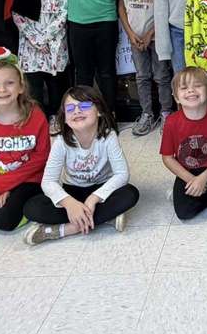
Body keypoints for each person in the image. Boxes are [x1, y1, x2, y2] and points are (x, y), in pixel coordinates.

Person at [23, 85, 140, 245]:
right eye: (70, 108)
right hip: (72, 191)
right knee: (32, 207)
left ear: (99, 111)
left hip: (100, 191)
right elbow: (48, 181)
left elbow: (122, 174)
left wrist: (93, 200)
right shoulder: (61, 142)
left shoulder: (108, 136)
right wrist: (69, 204)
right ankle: (103, 218)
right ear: (64, 118)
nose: (77, 111)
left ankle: (65, 229)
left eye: (84, 105)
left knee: (130, 194)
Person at [0, 47, 49, 233]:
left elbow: (41, 158)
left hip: (30, 179)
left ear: (21, 87)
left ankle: (28, 206)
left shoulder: (36, 116)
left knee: (5, 223)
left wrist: (5, 185)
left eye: (10, 83)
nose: (2, 90)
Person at [116, 0, 173, 136]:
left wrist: (150, 33)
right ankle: (147, 113)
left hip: (157, 37)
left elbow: (166, 8)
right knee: (142, 77)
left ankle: (166, 112)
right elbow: (121, 7)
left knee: (162, 76)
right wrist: (130, 34)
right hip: (135, 37)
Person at [160, 67, 207, 220]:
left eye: (197, 86)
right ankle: (194, 190)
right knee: (184, 213)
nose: (190, 91)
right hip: (187, 170)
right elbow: (167, 157)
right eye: (184, 88)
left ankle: (200, 190)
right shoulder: (171, 122)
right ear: (176, 97)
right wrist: (191, 179)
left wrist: (203, 179)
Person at [12, 0, 69, 134]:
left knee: (56, 87)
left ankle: (55, 117)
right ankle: (37, 120)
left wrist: (45, 37)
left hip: (54, 46)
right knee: (33, 88)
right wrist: (36, 40)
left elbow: (63, 14)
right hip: (30, 48)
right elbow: (17, 15)